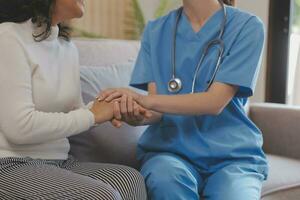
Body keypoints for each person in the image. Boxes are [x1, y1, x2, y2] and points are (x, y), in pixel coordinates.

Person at [98, 0, 268, 199]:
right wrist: (134, 114)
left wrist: (144, 101)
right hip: (171, 153)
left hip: (233, 156)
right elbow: (155, 112)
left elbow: (215, 102)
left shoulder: (247, 27)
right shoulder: (156, 31)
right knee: (165, 180)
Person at [0, 0, 147, 199]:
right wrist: (92, 115)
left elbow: (76, 114)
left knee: (130, 180)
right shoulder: (8, 37)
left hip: (59, 161)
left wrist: (108, 107)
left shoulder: (66, 47)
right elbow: (19, 127)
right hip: (9, 164)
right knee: (101, 196)